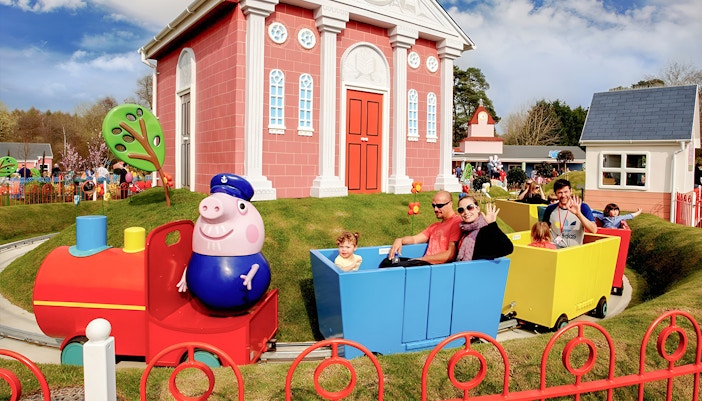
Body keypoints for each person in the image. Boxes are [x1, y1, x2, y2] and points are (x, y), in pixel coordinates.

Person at [380, 190, 461, 268]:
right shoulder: (435, 226)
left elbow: (450, 254)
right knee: (387, 262)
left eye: (439, 206)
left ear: (450, 204)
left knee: (395, 266)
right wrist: (400, 240)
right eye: (433, 206)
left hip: (437, 267)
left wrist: (421, 259)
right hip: (425, 263)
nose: (435, 209)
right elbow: (415, 239)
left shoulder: (456, 222)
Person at [541, 179, 597, 248]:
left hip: (574, 251)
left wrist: (578, 214)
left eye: (566, 192)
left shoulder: (582, 207)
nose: (563, 195)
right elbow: (543, 229)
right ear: (555, 194)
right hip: (556, 250)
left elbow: (594, 230)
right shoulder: (550, 209)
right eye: (560, 192)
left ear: (571, 191)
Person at [455, 196, 513, 261]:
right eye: (461, 210)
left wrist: (492, 224)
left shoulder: (486, 229)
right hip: (464, 266)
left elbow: (507, 248)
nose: (466, 212)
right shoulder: (463, 230)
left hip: (481, 267)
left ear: (478, 209)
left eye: (470, 207)